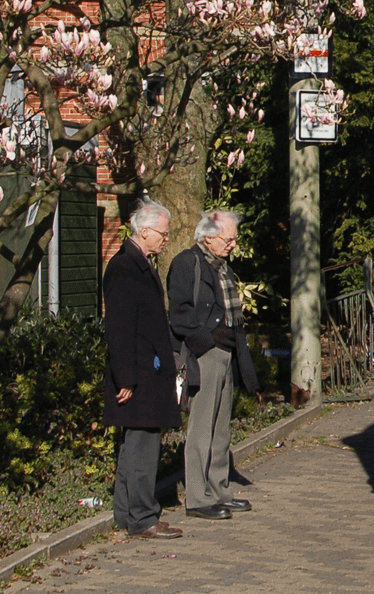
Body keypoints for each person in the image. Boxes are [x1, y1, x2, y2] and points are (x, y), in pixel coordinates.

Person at [168, 209, 259, 521]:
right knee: (201, 427)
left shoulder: (223, 267)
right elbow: (180, 312)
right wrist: (206, 343)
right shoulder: (186, 263)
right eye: (228, 238)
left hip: (225, 353)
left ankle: (219, 489)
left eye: (234, 238)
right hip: (205, 354)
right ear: (208, 236)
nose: (233, 244)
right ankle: (197, 497)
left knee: (221, 428)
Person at [102, 199, 183, 539]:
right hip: (138, 375)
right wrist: (127, 378)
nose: (166, 240)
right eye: (163, 234)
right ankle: (142, 517)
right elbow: (119, 328)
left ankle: (127, 513)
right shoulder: (124, 268)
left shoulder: (140, 264)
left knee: (136, 444)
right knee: (142, 448)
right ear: (145, 231)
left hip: (145, 373)